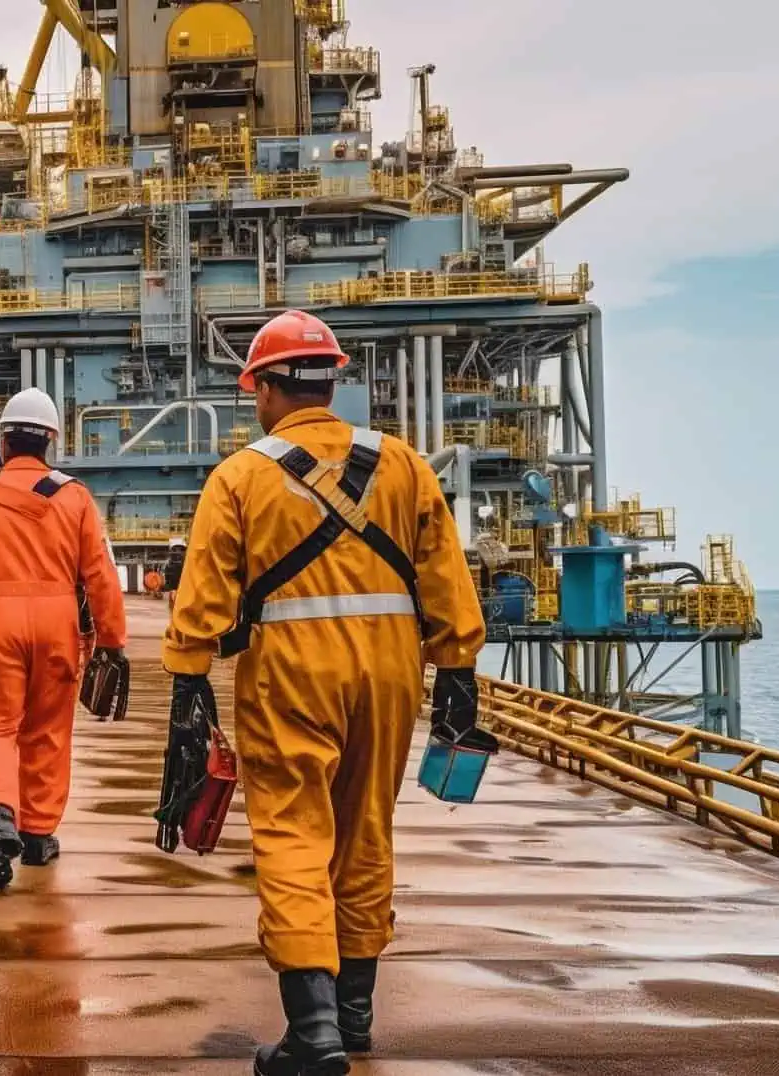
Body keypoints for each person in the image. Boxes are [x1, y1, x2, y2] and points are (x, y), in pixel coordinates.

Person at [160, 310, 488, 1076]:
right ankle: (355, 1016)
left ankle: (313, 1030)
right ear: (332, 383)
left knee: (292, 833)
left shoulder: (241, 476)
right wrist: (458, 667)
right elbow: (444, 573)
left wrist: (188, 678)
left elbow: (204, 599)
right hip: (391, 671)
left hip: (291, 672)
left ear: (265, 389)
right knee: (366, 831)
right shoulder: (403, 464)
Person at [0, 387, 128, 891]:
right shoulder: (75, 499)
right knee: (48, 731)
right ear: (50, 441)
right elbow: (100, 575)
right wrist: (111, 641)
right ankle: (37, 836)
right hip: (58, 623)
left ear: (3, 443)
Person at [162, 537, 187, 611]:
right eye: (176, 549)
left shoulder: (170, 563)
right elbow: (167, 577)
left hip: (182, 589)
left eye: (181, 550)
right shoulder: (170, 564)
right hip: (176, 590)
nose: (178, 552)